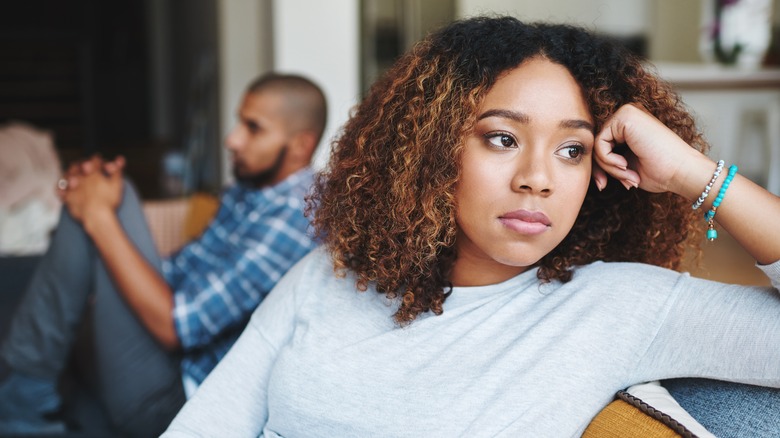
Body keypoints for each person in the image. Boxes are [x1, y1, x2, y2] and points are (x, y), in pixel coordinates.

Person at [163, 17, 780, 437]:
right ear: (431, 151)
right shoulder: (324, 277)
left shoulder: (621, 307)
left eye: (572, 150)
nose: (538, 177)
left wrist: (696, 175)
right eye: (503, 139)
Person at [0, 72, 327, 437]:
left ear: (300, 145)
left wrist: (99, 217)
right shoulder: (251, 191)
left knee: (110, 198)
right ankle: (26, 395)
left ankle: (23, 399)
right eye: (240, 122)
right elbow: (175, 270)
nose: (231, 139)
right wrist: (97, 225)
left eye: (253, 128)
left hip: (177, 398)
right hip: (164, 361)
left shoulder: (295, 217)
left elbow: (179, 328)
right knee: (101, 192)